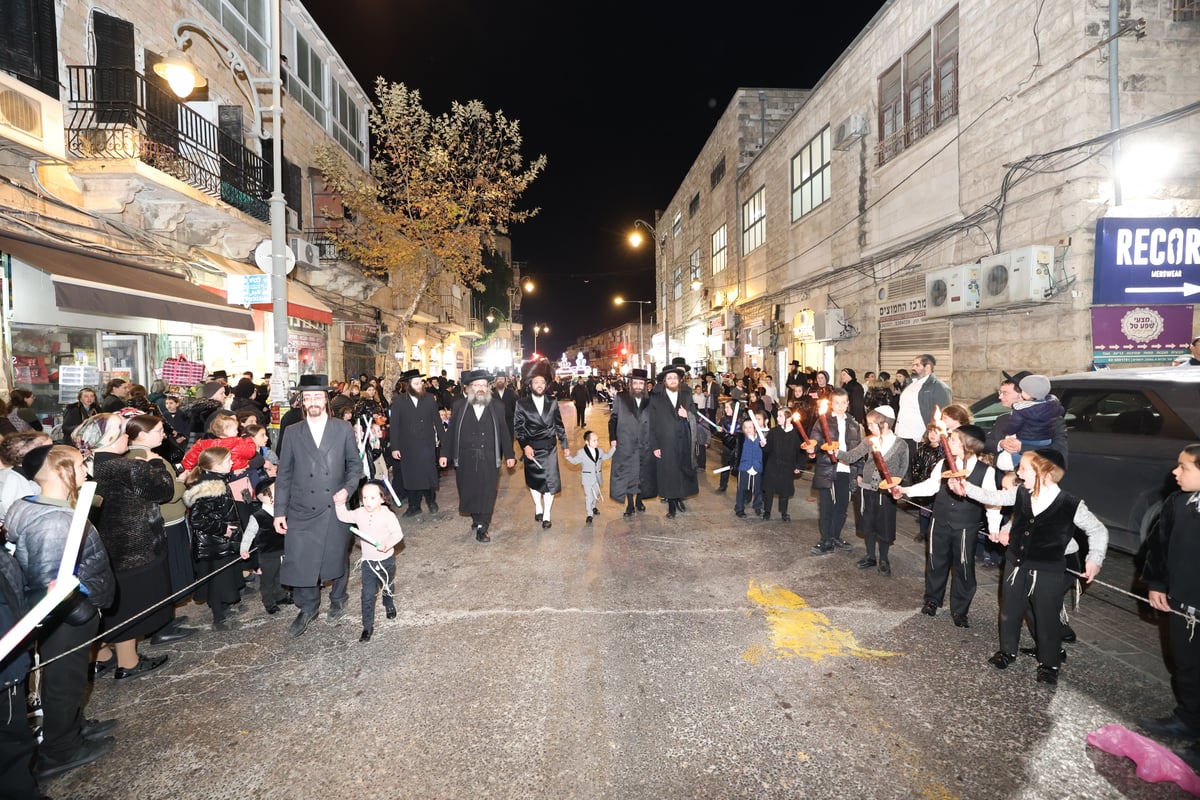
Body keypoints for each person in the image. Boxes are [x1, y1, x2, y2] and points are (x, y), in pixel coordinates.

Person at [7, 444, 118, 783]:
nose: (86, 468)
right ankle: (60, 750)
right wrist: (84, 612)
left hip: (69, 614)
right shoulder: (54, 520)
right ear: (59, 470)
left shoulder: (36, 505)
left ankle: (71, 727)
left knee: (70, 676)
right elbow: (48, 582)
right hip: (69, 617)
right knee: (63, 680)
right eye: (79, 463)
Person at [955, 448, 1107, 685]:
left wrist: (1095, 559)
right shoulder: (1020, 493)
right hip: (1016, 564)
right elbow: (993, 497)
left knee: (1046, 616)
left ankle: (1049, 663)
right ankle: (1007, 651)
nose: (1018, 472)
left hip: (1048, 570)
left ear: (1043, 472)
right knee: (1010, 610)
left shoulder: (1070, 503)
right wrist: (966, 488)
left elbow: (1097, 530)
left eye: (1024, 468)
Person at [74, 413, 174, 681]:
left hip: (102, 546)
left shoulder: (86, 465)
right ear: (108, 438)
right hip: (135, 545)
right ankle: (128, 663)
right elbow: (164, 491)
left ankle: (102, 657)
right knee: (132, 605)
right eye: (121, 431)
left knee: (110, 605)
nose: (127, 435)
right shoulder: (126, 467)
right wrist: (156, 466)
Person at [273, 375, 363, 638]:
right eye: (307, 397)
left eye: (317, 396)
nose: (312, 401)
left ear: (326, 399)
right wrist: (279, 511)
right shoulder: (292, 432)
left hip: (333, 505)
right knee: (301, 558)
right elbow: (284, 474)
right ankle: (308, 607)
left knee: (335, 556)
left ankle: (338, 598)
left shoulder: (342, 429)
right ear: (302, 401)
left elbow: (355, 467)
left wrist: (347, 490)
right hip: (301, 507)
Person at [898, 424, 1001, 628]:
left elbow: (992, 501)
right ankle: (932, 600)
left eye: (953, 439)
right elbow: (931, 485)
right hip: (940, 520)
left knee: (963, 566)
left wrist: (995, 527)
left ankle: (960, 610)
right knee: (936, 562)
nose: (948, 442)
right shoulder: (944, 463)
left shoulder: (985, 472)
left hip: (965, 525)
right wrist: (905, 490)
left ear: (967, 445)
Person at [1139, 444, 1200, 757]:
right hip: (1180, 603)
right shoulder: (1179, 502)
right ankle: (1188, 719)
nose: (1174, 473)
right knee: (1186, 665)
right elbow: (1158, 546)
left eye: (1185, 467)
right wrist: (1157, 583)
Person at [125, 415, 196, 646]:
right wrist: (182, 479)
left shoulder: (131, 457)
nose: (163, 434)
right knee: (170, 572)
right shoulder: (148, 459)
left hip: (158, 522)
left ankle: (166, 619)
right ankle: (162, 626)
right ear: (143, 435)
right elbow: (169, 492)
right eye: (158, 430)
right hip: (167, 521)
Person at [439, 369, 516, 542]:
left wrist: (509, 455)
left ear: (488, 387)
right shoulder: (459, 406)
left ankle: (483, 525)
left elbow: (504, 431)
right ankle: (476, 517)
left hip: (489, 457)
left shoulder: (497, 406)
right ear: (469, 388)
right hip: (466, 457)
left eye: (483, 385)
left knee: (487, 492)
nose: (480, 388)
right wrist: (444, 454)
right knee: (470, 490)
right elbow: (451, 432)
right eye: (476, 385)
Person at [838, 406, 909, 576]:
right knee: (867, 523)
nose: (868, 427)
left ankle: (884, 559)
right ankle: (870, 556)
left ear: (884, 424)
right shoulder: (869, 441)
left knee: (884, 525)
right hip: (866, 490)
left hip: (886, 493)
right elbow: (851, 456)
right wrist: (835, 451)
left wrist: (895, 487)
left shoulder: (901, 445)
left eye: (872, 423)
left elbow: (902, 468)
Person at [334, 481, 404, 643]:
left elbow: (397, 534)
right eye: (364, 497)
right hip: (368, 563)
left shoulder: (388, 515)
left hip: (386, 560)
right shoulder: (359, 513)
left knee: (387, 584)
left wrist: (387, 545)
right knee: (367, 594)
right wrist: (339, 504)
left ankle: (389, 603)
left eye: (372, 497)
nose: (367, 501)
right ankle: (367, 626)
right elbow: (344, 516)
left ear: (382, 499)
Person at [183, 447, 243, 631]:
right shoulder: (211, 488)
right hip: (214, 543)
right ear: (215, 466)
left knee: (223, 577)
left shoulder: (216, 481)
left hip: (217, 542)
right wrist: (223, 529)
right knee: (218, 580)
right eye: (227, 461)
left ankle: (223, 608)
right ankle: (219, 616)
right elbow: (197, 519)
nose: (232, 463)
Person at [0, 543, 41, 797]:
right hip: (5, 673)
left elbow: (15, 598)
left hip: (10, 659)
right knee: (12, 747)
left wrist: (44, 596)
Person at [804, 388, 862, 554]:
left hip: (846, 469)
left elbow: (858, 449)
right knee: (827, 507)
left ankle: (835, 535)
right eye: (837, 402)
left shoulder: (854, 423)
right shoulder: (822, 421)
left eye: (844, 402)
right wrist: (812, 448)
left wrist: (858, 472)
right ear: (831, 404)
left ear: (848, 403)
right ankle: (826, 539)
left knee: (842, 507)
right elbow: (815, 439)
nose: (841, 406)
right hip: (827, 469)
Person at [514, 359, 570, 529]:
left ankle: (547, 514)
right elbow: (518, 428)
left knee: (550, 482)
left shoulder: (552, 401)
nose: (539, 385)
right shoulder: (521, 404)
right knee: (534, 482)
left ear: (546, 385)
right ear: (530, 384)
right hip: (532, 449)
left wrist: (565, 445)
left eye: (542, 382)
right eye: (536, 382)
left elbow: (559, 425)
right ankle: (538, 506)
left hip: (549, 448)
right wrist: (525, 446)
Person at [647, 359, 699, 519]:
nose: (672, 381)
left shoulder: (687, 395)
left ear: (679, 380)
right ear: (664, 381)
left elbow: (695, 416)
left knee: (681, 472)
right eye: (669, 378)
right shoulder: (656, 398)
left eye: (675, 378)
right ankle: (671, 506)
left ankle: (679, 499)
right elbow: (652, 424)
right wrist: (655, 445)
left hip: (683, 441)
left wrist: (688, 415)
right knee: (669, 474)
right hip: (665, 443)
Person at [389, 369, 441, 516]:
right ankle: (414, 506)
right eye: (416, 383)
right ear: (408, 385)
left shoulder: (430, 398)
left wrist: (443, 443)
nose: (419, 386)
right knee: (411, 477)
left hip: (427, 445)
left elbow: (437, 422)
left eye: (420, 383)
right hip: (408, 447)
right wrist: (395, 447)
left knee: (427, 474)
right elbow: (395, 427)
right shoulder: (399, 402)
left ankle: (431, 501)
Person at [608, 368, 656, 517]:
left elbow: (657, 423)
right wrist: (612, 438)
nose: (637, 386)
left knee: (643, 474)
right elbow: (613, 419)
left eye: (640, 383)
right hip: (626, 442)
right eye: (635, 383)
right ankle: (629, 504)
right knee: (628, 473)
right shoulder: (621, 398)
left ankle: (639, 501)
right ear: (631, 384)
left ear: (645, 385)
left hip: (645, 443)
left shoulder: (651, 400)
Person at [238, 477, 290, 615]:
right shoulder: (257, 516)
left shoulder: (283, 511)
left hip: (282, 550)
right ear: (266, 495)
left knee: (280, 575)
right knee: (267, 580)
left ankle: (280, 596)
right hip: (267, 555)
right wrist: (244, 549)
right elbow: (249, 534)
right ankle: (268, 602)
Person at [894, 355, 952, 471]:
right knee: (903, 472)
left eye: (917, 365)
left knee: (918, 473)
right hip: (901, 435)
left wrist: (927, 435)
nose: (913, 368)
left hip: (918, 437)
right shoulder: (911, 384)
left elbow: (941, 415)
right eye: (913, 365)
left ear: (928, 367)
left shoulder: (938, 387)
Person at [1001, 374, 1065, 454]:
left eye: (1005, 393)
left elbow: (1058, 451)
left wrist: (1022, 447)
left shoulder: (1020, 410)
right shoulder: (1053, 408)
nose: (1000, 397)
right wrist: (1001, 444)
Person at [0, 431, 52, 524]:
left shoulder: (31, 475)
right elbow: (16, 516)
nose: (55, 453)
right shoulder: (14, 481)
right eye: (48, 450)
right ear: (27, 453)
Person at [762, 407, 803, 522]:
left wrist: (799, 465)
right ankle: (767, 511)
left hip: (787, 467)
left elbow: (800, 452)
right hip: (773, 465)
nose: (777, 418)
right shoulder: (774, 432)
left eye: (780, 416)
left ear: (788, 418)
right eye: (777, 416)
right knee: (769, 490)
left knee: (784, 491)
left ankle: (784, 512)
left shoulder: (796, 434)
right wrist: (763, 445)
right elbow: (768, 449)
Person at [565, 430, 614, 525]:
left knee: (596, 494)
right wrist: (568, 457)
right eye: (594, 440)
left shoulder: (599, 451)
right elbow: (575, 461)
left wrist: (613, 448)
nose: (597, 442)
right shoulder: (581, 453)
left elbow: (607, 456)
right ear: (587, 442)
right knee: (589, 497)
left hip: (597, 478)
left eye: (597, 440)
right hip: (587, 479)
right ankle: (589, 514)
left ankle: (593, 507)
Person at [728, 418, 766, 519]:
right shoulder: (740, 439)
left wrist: (765, 446)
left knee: (758, 490)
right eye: (745, 427)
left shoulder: (762, 439)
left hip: (757, 467)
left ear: (755, 427)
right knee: (742, 490)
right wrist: (720, 432)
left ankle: (758, 507)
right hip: (744, 467)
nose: (748, 429)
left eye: (750, 427)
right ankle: (739, 509)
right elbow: (728, 440)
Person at [491, 374, 518, 441]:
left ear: (505, 381)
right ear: (496, 381)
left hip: (509, 424)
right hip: (496, 425)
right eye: (498, 379)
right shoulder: (491, 394)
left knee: (509, 446)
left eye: (502, 379)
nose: (500, 381)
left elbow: (516, 409)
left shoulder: (511, 393)